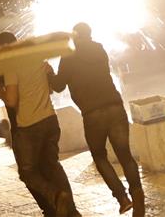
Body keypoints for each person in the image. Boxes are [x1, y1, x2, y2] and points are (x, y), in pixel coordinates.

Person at [49, 23, 145, 217]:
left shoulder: (68, 56)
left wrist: (49, 73)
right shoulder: (100, 49)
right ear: (90, 35)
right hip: (114, 107)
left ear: (75, 36)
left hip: (93, 114)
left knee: (100, 156)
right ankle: (138, 194)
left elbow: (58, 86)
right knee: (125, 155)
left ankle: (122, 198)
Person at [0, 31, 80, 217]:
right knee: (53, 166)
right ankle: (71, 211)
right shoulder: (37, 58)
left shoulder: (10, 65)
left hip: (28, 127)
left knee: (28, 173)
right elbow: (49, 89)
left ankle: (54, 200)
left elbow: (12, 101)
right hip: (50, 119)